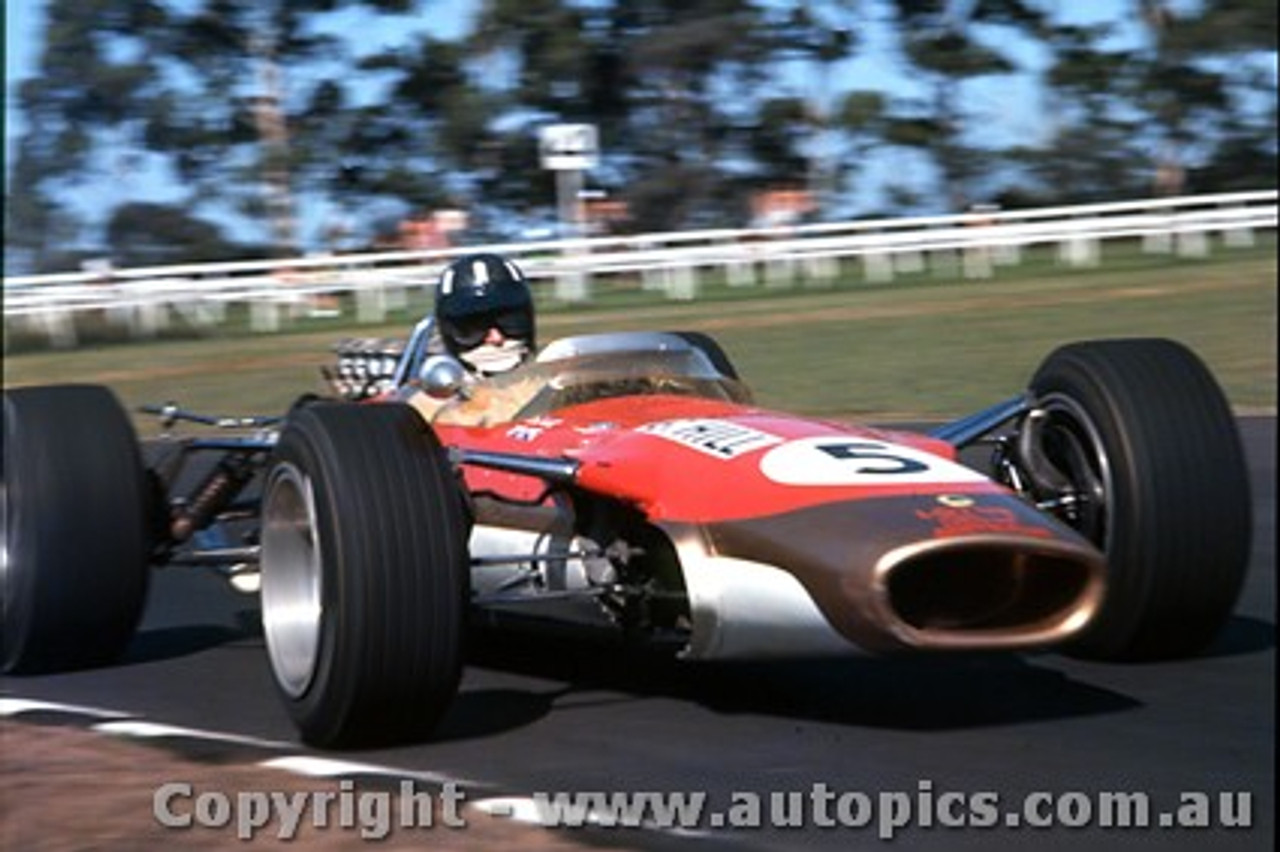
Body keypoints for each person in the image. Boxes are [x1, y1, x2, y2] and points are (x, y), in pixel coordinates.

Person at [398, 253, 540, 425]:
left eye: (510, 321)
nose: (496, 338)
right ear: (450, 332)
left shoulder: (560, 383)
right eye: (474, 327)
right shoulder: (425, 410)